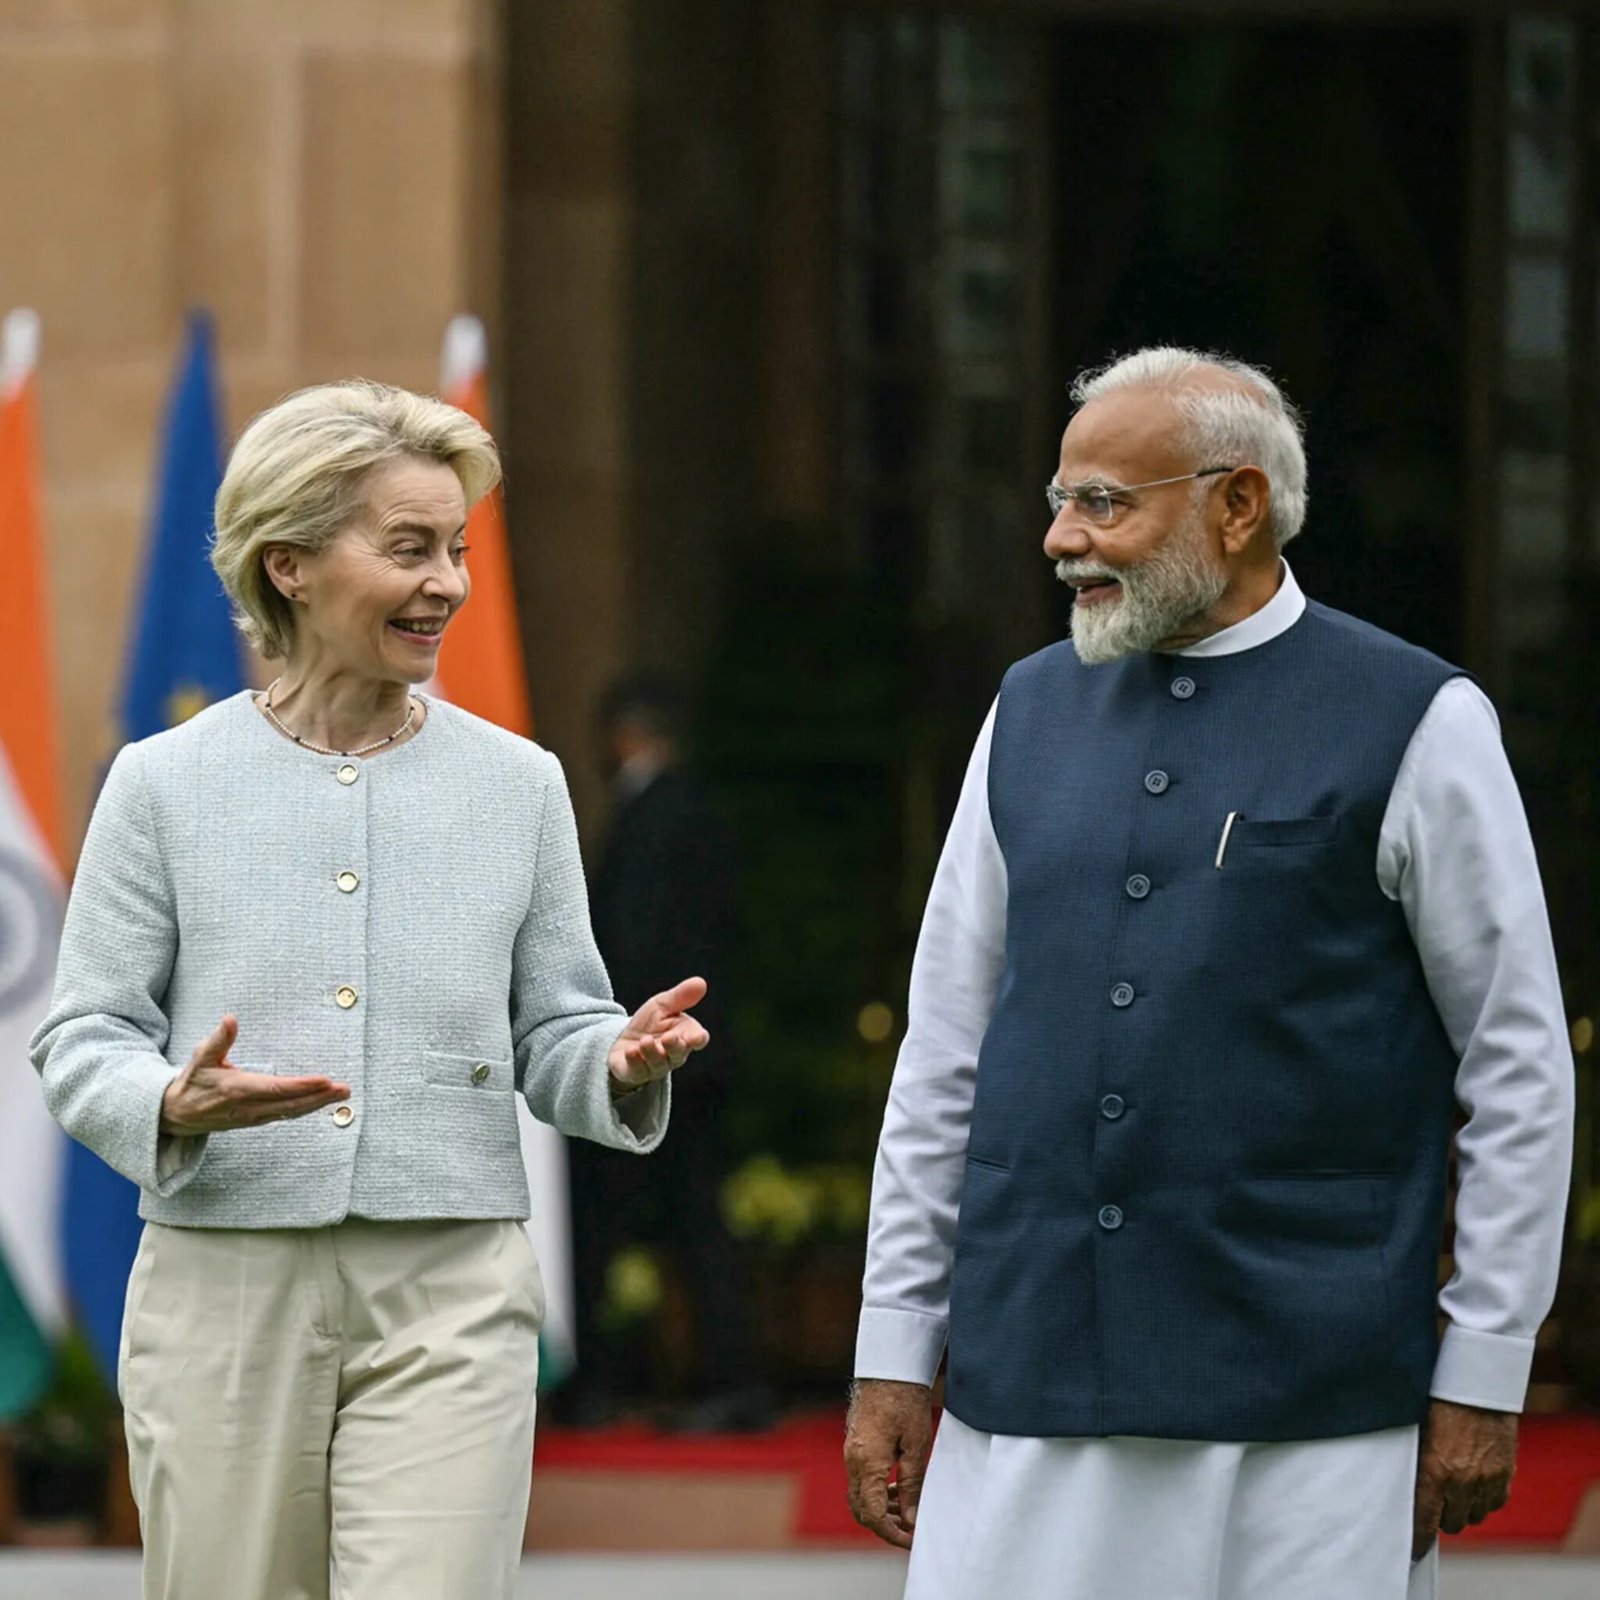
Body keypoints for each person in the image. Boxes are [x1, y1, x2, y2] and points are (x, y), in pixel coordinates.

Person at [844, 347, 1575, 1600]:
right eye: (1058, 502)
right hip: (1030, 1378)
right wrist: (895, 1346)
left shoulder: (1416, 715)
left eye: (1102, 503)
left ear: (1237, 505)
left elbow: (1517, 1063)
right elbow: (944, 1051)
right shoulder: (1023, 711)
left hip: (1311, 1399)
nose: (1061, 539)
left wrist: (1485, 1364)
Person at [30, 380, 710, 1600]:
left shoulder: (519, 783)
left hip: (452, 1287)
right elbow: (84, 1036)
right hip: (222, 1286)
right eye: (409, 548)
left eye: (455, 549)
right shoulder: (161, 783)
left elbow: (558, 1022)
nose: (447, 583)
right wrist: (168, 1101)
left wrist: (611, 1059)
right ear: (287, 564)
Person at [556, 673, 773, 1431]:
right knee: (693, 1219)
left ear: (624, 735)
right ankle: (719, 1380)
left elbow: (633, 938)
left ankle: (611, 1381)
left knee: (642, 1217)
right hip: (694, 1052)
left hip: (656, 1055)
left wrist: (604, 1042)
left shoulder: (652, 815)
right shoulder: (697, 808)